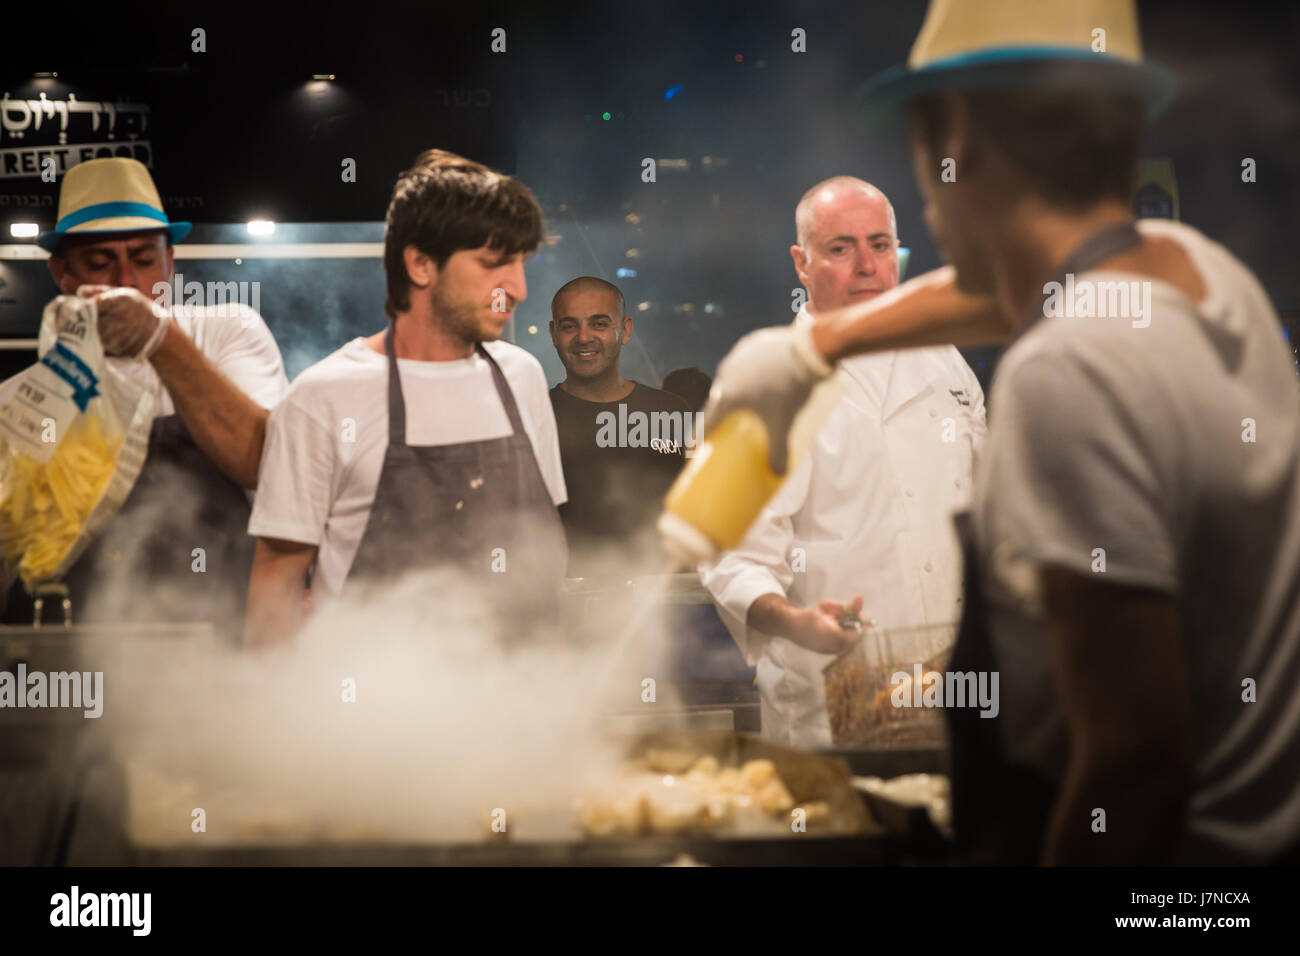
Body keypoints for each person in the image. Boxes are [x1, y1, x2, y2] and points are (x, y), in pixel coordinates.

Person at [700, 0, 1300, 865]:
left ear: (960, 146)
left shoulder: (1068, 373)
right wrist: (818, 342)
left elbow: (1134, 767)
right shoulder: (1207, 276)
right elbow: (1019, 286)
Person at [699, 177, 985, 749]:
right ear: (801, 263)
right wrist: (797, 621)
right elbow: (729, 554)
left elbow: (985, 511)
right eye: (840, 248)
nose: (866, 266)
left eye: (879, 245)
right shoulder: (765, 381)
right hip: (829, 696)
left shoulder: (946, 361)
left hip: (949, 684)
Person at [245, 149, 567, 648]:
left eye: (522, 264)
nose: (518, 288)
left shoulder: (521, 377)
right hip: (378, 712)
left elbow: (544, 554)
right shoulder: (322, 398)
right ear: (420, 264)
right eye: (493, 264)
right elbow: (276, 590)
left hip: (520, 706)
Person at [0, 158, 287, 638]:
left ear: (170, 262)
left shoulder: (227, 333)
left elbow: (263, 460)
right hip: (81, 648)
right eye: (99, 262)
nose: (126, 280)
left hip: (217, 636)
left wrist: (160, 339)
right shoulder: (21, 402)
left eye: (143, 258)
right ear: (62, 273)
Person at [548, 276, 691, 578]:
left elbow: (707, 510)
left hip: (663, 604)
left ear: (624, 330)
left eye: (599, 324)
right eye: (569, 326)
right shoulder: (535, 416)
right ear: (553, 334)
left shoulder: (675, 412)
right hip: (565, 603)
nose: (583, 337)